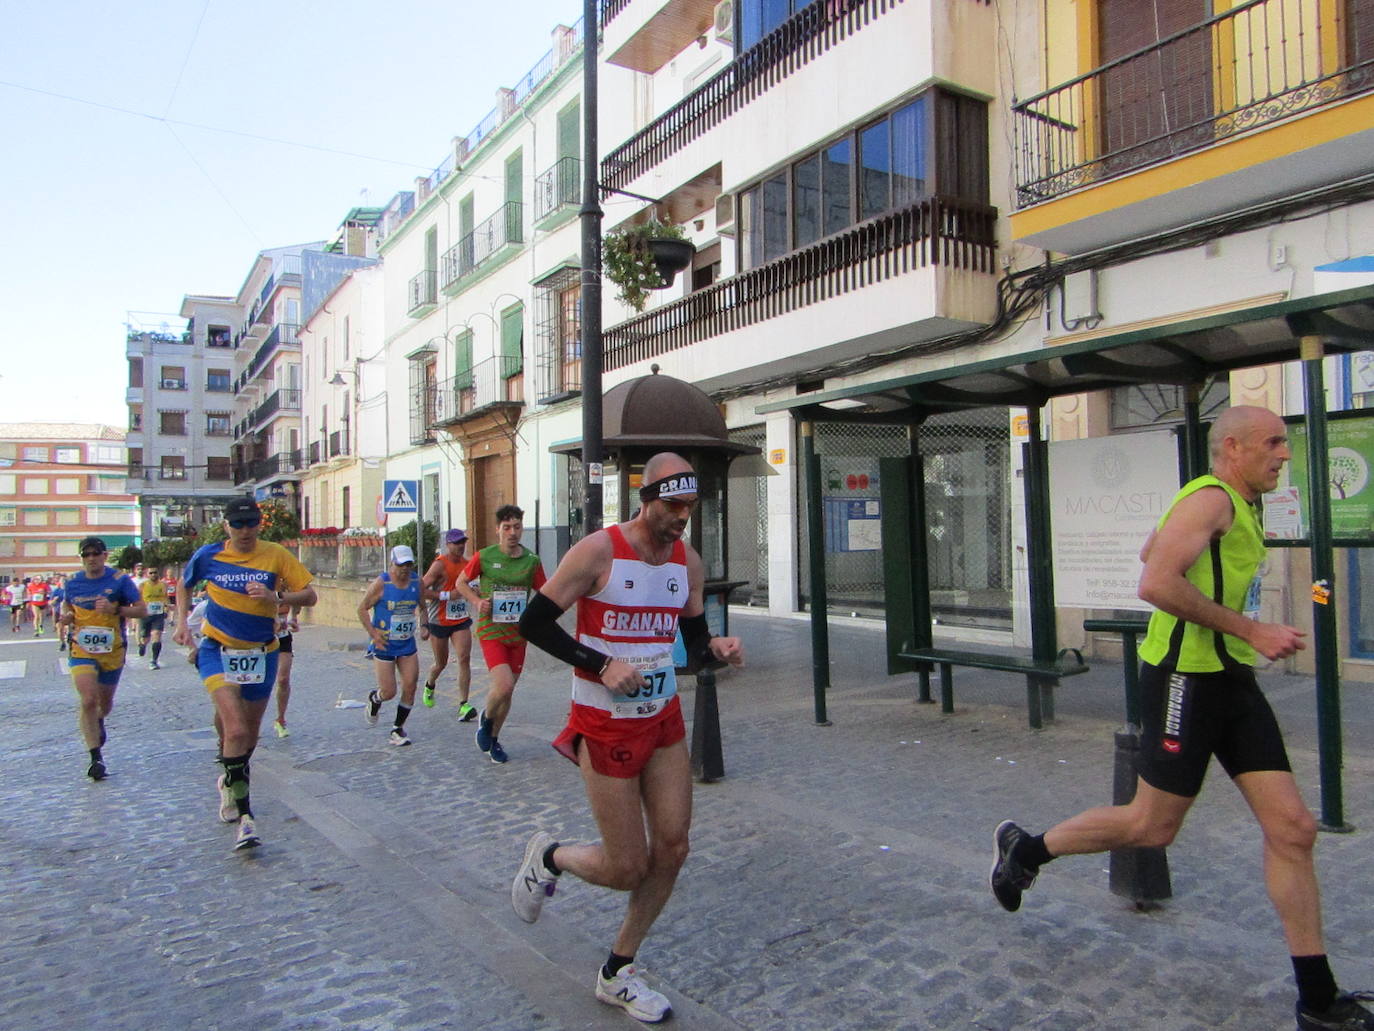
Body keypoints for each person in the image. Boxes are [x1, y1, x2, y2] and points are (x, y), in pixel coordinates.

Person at [989, 406, 1374, 1031]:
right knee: (1150, 827)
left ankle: (1318, 998)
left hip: (1230, 679)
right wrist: (1253, 626)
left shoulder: (1236, 504)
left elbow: (1153, 547)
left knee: (1295, 829)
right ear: (1233, 447)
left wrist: (1243, 634)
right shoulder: (1212, 498)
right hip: (1184, 681)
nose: (1283, 454)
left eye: (1284, 443)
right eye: (1273, 442)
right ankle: (1023, 850)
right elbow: (1155, 582)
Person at [512, 452, 744, 1023]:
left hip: (661, 718)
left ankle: (619, 970)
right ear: (646, 499)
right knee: (626, 866)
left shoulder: (685, 559)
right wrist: (598, 663)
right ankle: (550, 856)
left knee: (673, 848)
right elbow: (532, 623)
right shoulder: (597, 551)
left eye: (689, 507)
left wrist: (713, 646)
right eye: (673, 506)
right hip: (603, 721)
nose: (681, 518)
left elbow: (689, 631)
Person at [173, 497, 316, 852]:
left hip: (261, 653)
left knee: (247, 737)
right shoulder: (208, 555)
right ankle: (246, 816)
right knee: (235, 728)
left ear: (259, 525)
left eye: (251, 523)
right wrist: (181, 624)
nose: (245, 530)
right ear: (227, 526)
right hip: (217, 650)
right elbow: (183, 585)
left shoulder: (275, 554)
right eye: (238, 524)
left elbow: (310, 595)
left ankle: (230, 776)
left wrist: (276, 596)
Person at [453, 504, 547, 764]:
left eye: (517, 527)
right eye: (507, 527)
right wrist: (476, 601)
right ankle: (486, 719)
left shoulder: (531, 561)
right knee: (503, 685)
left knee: (507, 692)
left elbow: (546, 592)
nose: (512, 532)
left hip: (519, 634)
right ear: (498, 530)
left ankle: (493, 737)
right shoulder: (484, 556)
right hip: (491, 629)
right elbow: (460, 582)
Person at [58, 537, 146, 780]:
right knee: (88, 699)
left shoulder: (120, 580)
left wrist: (116, 609)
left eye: (96, 553)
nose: (91, 558)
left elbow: (142, 609)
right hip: (81, 649)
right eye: (86, 555)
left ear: (104, 556)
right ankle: (95, 757)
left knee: (103, 705)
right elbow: (67, 608)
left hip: (112, 650)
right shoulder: (73, 582)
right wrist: (66, 617)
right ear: (81, 558)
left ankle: (98, 720)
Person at [358, 545, 423, 746]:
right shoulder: (382, 583)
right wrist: (374, 634)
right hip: (385, 643)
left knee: (411, 684)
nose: (405, 569)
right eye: (400, 565)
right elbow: (362, 609)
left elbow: (422, 605)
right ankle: (375, 699)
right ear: (391, 564)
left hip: (406, 643)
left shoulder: (416, 581)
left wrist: (426, 624)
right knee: (389, 691)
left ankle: (398, 728)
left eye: (408, 565)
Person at [419, 527, 477, 720]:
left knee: (464, 658)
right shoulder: (439, 565)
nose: (461, 546)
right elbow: (420, 589)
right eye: (457, 542)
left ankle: (464, 704)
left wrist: (474, 593)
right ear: (448, 544)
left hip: (460, 619)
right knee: (441, 663)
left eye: (463, 542)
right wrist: (446, 595)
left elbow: (472, 586)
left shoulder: (468, 564)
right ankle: (429, 684)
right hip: (439, 620)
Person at [271, 600, 300, 738]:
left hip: (283, 637)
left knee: (283, 679)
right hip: (260, 638)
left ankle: (280, 720)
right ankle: (250, 721)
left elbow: (300, 596)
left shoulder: (286, 585)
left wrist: (293, 617)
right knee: (256, 682)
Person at [137, 563, 170, 669]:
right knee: (145, 638)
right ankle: (142, 645)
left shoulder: (163, 585)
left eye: (155, 572)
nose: (153, 574)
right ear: (147, 574)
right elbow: (137, 599)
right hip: (146, 614)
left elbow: (166, 598)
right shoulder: (142, 585)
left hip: (158, 614)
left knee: (156, 634)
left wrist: (166, 608)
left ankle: (154, 660)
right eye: (150, 573)